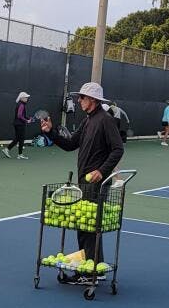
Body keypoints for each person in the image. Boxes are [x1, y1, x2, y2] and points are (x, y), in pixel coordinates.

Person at [39, 82, 124, 269]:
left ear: (92, 100)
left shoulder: (106, 120)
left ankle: (92, 268)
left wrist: (101, 171)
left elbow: (118, 150)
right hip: (83, 182)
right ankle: (91, 267)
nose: (79, 101)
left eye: (82, 98)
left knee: (90, 227)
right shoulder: (87, 121)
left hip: (97, 183)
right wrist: (51, 133)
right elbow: (70, 144)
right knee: (85, 227)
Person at [4, 91, 32, 159]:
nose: (27, 99)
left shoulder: (20, 104)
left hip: (17, 124)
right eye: (25, 97)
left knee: (19, 138)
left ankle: (18, 153)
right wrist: (26, 120)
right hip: (20, 124)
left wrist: (28, 118)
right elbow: (19, 115)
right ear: (21, 98)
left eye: (27, 97)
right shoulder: (21, 105)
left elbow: (22, 115)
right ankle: (8, 150)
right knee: (20, 138)